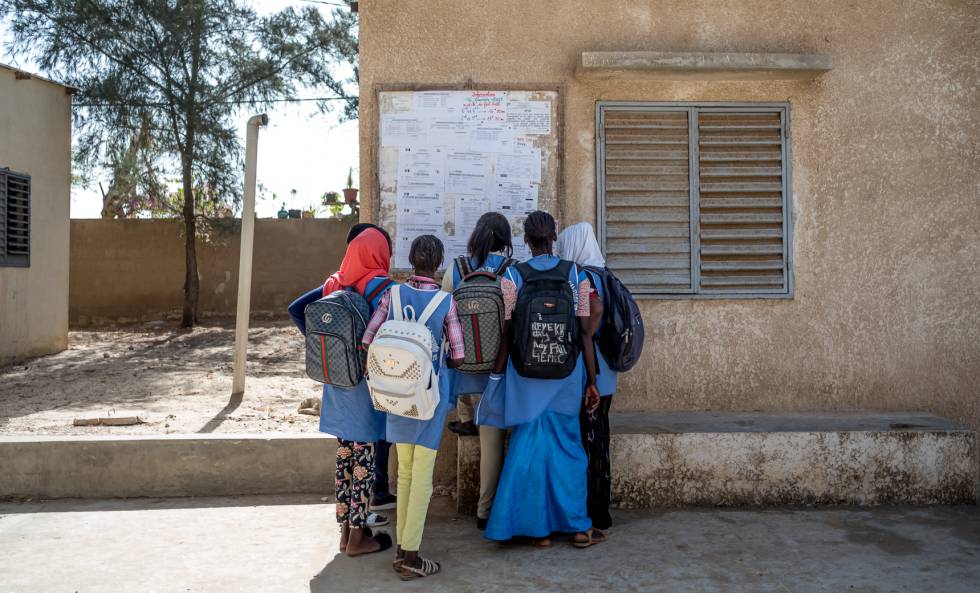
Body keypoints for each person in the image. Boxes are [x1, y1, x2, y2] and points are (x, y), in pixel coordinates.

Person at [477, 211, 606, 548]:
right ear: (554, 236)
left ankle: (538, 531)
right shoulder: (576, 275)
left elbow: (507, 333)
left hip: (525, 375)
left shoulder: (512, 278)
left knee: (527, 446)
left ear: (525, 241)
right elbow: (584, 333)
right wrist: (592, 380)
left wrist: (496, 375)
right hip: (567, 374)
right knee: (568, 448)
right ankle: (578, 527)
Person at [362, 235, 465, 580]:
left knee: (403, 472)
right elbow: (459, 354)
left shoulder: (392, 294)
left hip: (395, 395)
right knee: (422, 477)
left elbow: (368, 339)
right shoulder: (445, 301)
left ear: (410, 259)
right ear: (438, 264)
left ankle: (404, 551)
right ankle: (411, 556)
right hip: (427, 399)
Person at [287, 227, 393, 557]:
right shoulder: (380, 288)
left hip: (336, 383)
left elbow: (297, 308)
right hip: (364, 387)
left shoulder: (335, 283)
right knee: (364, 459)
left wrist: (324, 348)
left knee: (345, 459)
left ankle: (347, 533)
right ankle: (359, 539)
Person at [441, 212, 519, 529]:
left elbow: (443, 317)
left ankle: (464, 416)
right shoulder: (509, 271)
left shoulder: (457, 269)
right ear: (505, 241)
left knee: (467, 392)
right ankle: (485, 511)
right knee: (492, 439)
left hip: (463, 371)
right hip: (497, 371)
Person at [557, 222, 617, 530]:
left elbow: (593, 312)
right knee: (600, 439)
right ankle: (601, 509)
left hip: (591, 372)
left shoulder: (585, 277)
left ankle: (593, 511)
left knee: (588, 440)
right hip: (607, 372)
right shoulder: (605, 274)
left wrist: (584, 337)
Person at [345, 223, 398, 513]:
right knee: (380, 433)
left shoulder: (336, 283)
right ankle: (378, 491)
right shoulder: (386, 289)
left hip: (345, 376)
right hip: (378, 374)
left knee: (350, 445)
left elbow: (298, 309)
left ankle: (352, 511)